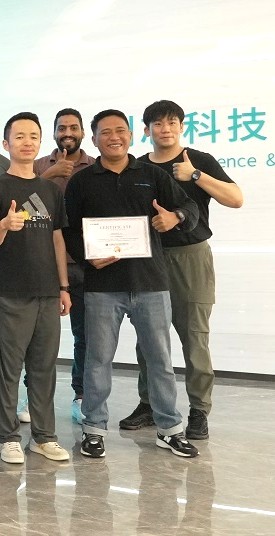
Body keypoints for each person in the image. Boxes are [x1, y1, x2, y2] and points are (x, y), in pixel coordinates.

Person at [63, 109, 200, 459]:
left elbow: (189, 206)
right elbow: (69, 231)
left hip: (151, 282)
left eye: (120, 130)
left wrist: (176, 217)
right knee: (97, 360)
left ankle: (169, 429)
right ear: (94, 139)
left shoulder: (152, 174)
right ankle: (94, 429)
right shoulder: (82, 181)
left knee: (160, 360)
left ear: (131, 135)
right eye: (106, 132)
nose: (114, 137)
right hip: (102, 286)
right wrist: (87, 257)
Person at [122, 100, 243, 439]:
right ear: (146, 130)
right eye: (158, 124)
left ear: (181, 126)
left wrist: (196, 176)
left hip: (191, 257)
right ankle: (149, 404)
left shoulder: (199, 160)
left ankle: (199, 410)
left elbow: (236, 198)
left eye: (172, 122)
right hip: (148, 258)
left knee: (194, 338)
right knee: (148, 338)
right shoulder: (138, 166)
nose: (166, 129)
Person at [0, 112, 71, 464]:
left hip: (48, 291)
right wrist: (4, 224)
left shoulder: (50, 190)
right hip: (11, 290)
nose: (27, 142)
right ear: (6, 144)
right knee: (9, 368)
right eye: (19, 136)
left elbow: (57, 239)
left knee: (44, 367)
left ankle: (44, 437)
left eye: (33, 135)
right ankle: (8, 437)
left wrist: (63, 286)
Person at [33, 108, 96, 425]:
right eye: (61, 128)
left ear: (83, 132)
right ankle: (32, 396)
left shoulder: (95, 166)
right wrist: (51, 174)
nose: (67, 133)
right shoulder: (38, 166)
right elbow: (24, 203)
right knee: (39, 338)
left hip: (87, 263)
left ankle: (81, 394)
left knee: (86, 335)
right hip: (44, 263)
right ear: (54, 132)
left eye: (73, 127)